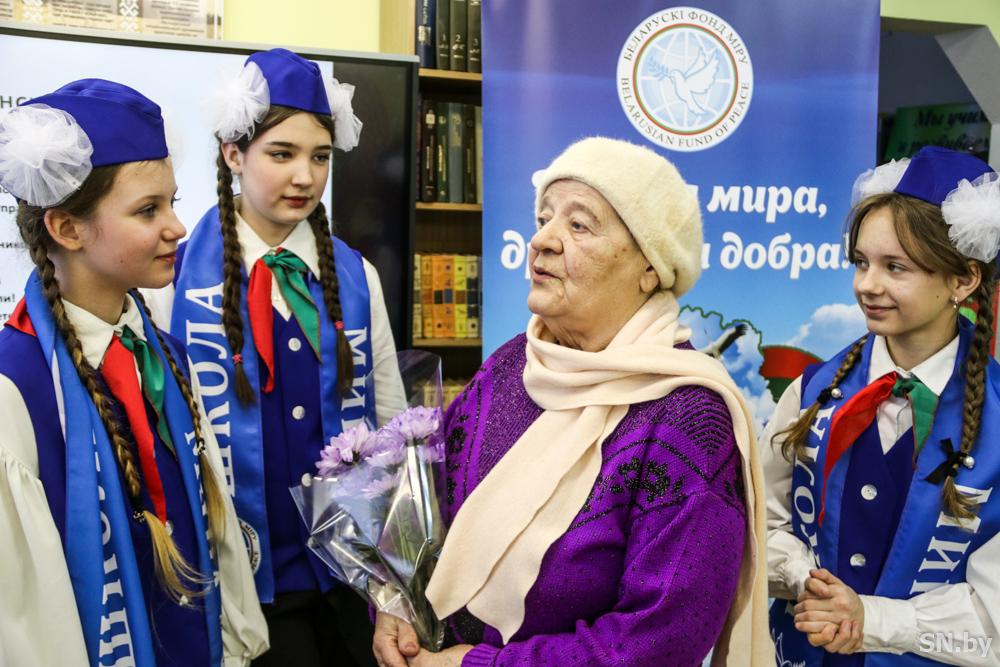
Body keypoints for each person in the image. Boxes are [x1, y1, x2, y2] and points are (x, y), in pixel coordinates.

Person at [373, 136, 774, 667]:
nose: (542, 240)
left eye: (579, 225)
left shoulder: (689, 419)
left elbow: (662, 639)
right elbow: (423, 505)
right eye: (544, 218)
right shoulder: (512, 364)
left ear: (650, 268)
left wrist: (480, 666)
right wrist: (394, 599)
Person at [0, 79, 267, 666]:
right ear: (67, 228)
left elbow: (213, 528)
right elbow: (20, 614)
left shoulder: (165, 355)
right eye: (149, 210)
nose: (177, 226)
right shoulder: (14, 386)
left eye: (172, 201)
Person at [163, 48, 406, 667]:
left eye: (320, 157)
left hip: (354, 577)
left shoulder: (355, 275)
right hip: (244, 584)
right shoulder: (175, 279)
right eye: (282, 154)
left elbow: (389, 415)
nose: (305, 176)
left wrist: (401, 572)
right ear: (233, 155)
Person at [762, 146, 1000, 666]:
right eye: (861, 262)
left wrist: (872, 622)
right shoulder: (811, 392)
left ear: (963, 280)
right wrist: (807, 580)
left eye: (896, 267)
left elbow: (995, 614)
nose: (867, 285)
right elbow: (760, 522)